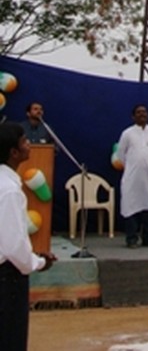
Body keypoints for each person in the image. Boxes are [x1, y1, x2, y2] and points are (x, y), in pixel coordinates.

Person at [0, 122, 56, 350]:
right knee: (10, 336)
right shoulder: (10, 190)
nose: (29, 145)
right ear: (14, 152)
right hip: (7, 278)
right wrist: (38, 262)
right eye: (24, 141)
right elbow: (13, 247)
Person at [117, 105, 148, 248]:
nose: (142, 114)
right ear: (133, 117)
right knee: (131, 206)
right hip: (132, 177)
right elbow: (120, 154)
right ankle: (131, 239)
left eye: (144, 112)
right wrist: (134, 165)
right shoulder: (127, 133)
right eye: (138, 112)